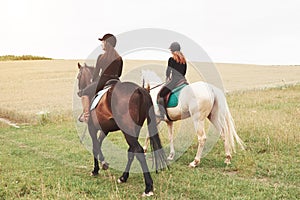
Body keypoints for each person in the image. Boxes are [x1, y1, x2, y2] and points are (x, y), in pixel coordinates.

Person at [78, 33, 123, 123]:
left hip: (103, 81)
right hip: (116, 82)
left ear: (106, 43)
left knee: (85, 92)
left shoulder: (101, 57)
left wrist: (94, 81)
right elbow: (119, 74)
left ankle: (86, 116)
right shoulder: (119, 58)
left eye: (102, 42)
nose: (101, 44)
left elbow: (95, 74)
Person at [157, 42, 187, 119]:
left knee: (161, 95)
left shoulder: (171, 59)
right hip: (183, 81)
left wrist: (167, 79)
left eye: (171, 50)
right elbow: (184, 72)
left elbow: (168, 71)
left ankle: (162, 114)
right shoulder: (184, 60)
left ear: (172, 50)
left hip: (174, 80)